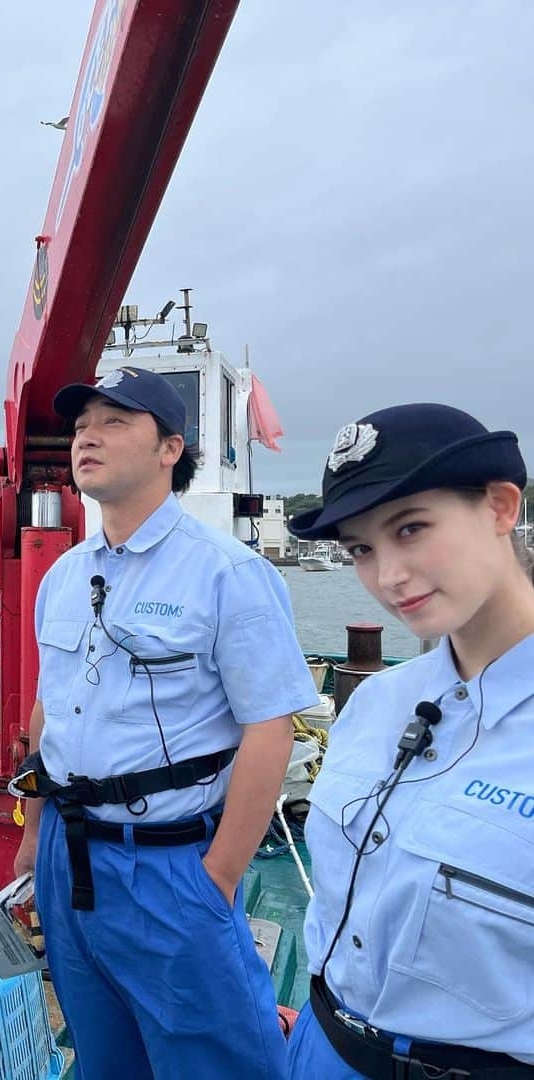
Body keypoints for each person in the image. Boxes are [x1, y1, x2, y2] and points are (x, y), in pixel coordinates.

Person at [12, 366, 319, 1079]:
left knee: (215, 1061)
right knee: (102, 1054)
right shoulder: (63, 575)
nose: (89, 436)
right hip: (66, 851)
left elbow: (271, 730)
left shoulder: (227, 574)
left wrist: (218, 877)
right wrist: (33, 837)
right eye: (83, 425)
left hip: (172, 861)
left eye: (115, 422)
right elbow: (49, 707)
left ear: (170, 449)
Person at [286, 403, 534, 1078]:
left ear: (500, 507)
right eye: (362, 548)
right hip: (321, 1044)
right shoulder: (376, 703)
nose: (388, 575)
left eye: (412, 528)